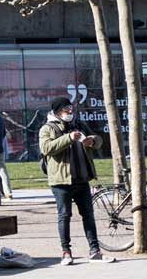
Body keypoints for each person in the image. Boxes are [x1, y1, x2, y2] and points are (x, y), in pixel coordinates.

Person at [39, 97, 106, 262]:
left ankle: (95, 250)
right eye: (66, 109)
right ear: (57, 112)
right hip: (61, 182)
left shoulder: (79, 124)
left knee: (88, 215)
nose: (70, 111)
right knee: (64, 215)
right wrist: (69, 138)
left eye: (70, 108)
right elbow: (46, 148)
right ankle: (66, 252)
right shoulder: (47, 128)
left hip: (82, 179)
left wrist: (93, 141)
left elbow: (98, 139)